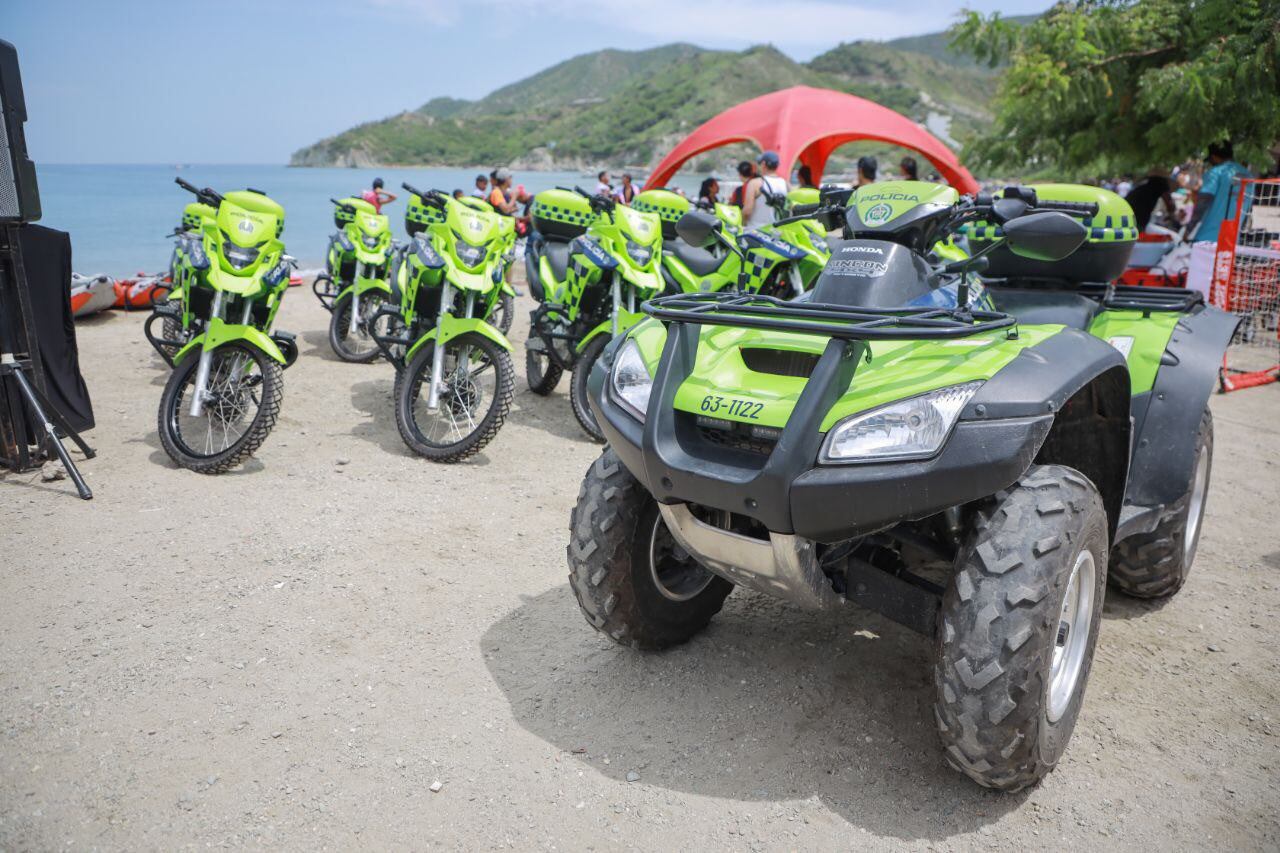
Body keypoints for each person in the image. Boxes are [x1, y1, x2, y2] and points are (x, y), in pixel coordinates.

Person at [1185, 141, 1250, 299]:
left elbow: (1203, 202)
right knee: (1222, 285)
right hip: (1233, 239)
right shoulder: (1248, 175)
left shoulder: (1216, 172)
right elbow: (1248, 208)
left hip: (1208, 239)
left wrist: (1188, 230)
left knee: (1200, 288)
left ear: (1214, 156)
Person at [741, 150, 788, 229]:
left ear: (763, 164)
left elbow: (747, 211)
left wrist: (742, 224)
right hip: (776, 233)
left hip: (755, 232)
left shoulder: (755, 183)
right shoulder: (785, 184)